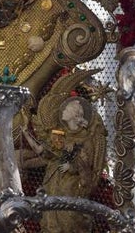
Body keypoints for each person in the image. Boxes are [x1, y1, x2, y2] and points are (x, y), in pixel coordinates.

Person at [24, 97, 106, 233]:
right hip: (52, 181)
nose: (62, 111)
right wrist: (26, 134)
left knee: (68, 217)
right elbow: (45, 153)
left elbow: (87, 163)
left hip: (71, 185)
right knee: (49, 214)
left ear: (74, 115)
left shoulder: (85, 138)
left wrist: (72, 166)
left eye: (66, 109)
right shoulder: (60, 134)